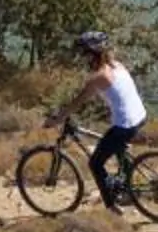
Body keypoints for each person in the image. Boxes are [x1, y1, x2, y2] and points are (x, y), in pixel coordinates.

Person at [53, 30, 148, 207]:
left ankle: (111, 207)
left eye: (84, 54)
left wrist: (58, 119)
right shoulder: (117, 65)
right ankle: (128, 186)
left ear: (91, 54)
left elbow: (77, 102)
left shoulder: (99, 77)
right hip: (140, 115)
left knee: (95, 164)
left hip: (125, 125)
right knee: (119, 147)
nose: (82, 58)